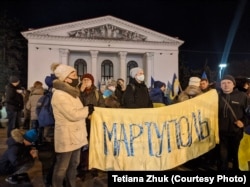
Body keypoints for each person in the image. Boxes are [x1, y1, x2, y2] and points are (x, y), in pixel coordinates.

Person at [50, 63, 94, 187]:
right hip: (66, 136)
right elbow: (72, 114)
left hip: (76, 135)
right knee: (62, 167)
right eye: (73, 75)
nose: (77, 77)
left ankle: (71, 184)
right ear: (65, 78)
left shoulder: (72, 93)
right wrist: (87, 110)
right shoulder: (59, 95)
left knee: (74, 164)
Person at [218, 75, 249, 171]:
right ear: (220, 85)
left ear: (233, 84)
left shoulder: (243, 97)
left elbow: (249, 113)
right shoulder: (216, 97)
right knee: (223, 159)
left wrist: (244, 122)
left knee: (237, 158)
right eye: (223, 83)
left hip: (237, 134)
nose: (226, 85)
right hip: (221, 134)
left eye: (228, 83)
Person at [78, 73, 105, 180]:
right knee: (83, 146)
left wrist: (94, 113)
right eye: (84, 80)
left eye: (88, 80)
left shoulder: (97, 93)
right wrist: (80, 91)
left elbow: (102, 106)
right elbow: (75, 104)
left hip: (93, 122)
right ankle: (82, 168)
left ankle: (94, 167)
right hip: (81, 122)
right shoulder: (78, 92)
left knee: (94, 145)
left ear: (92, 81)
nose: (86, 82)